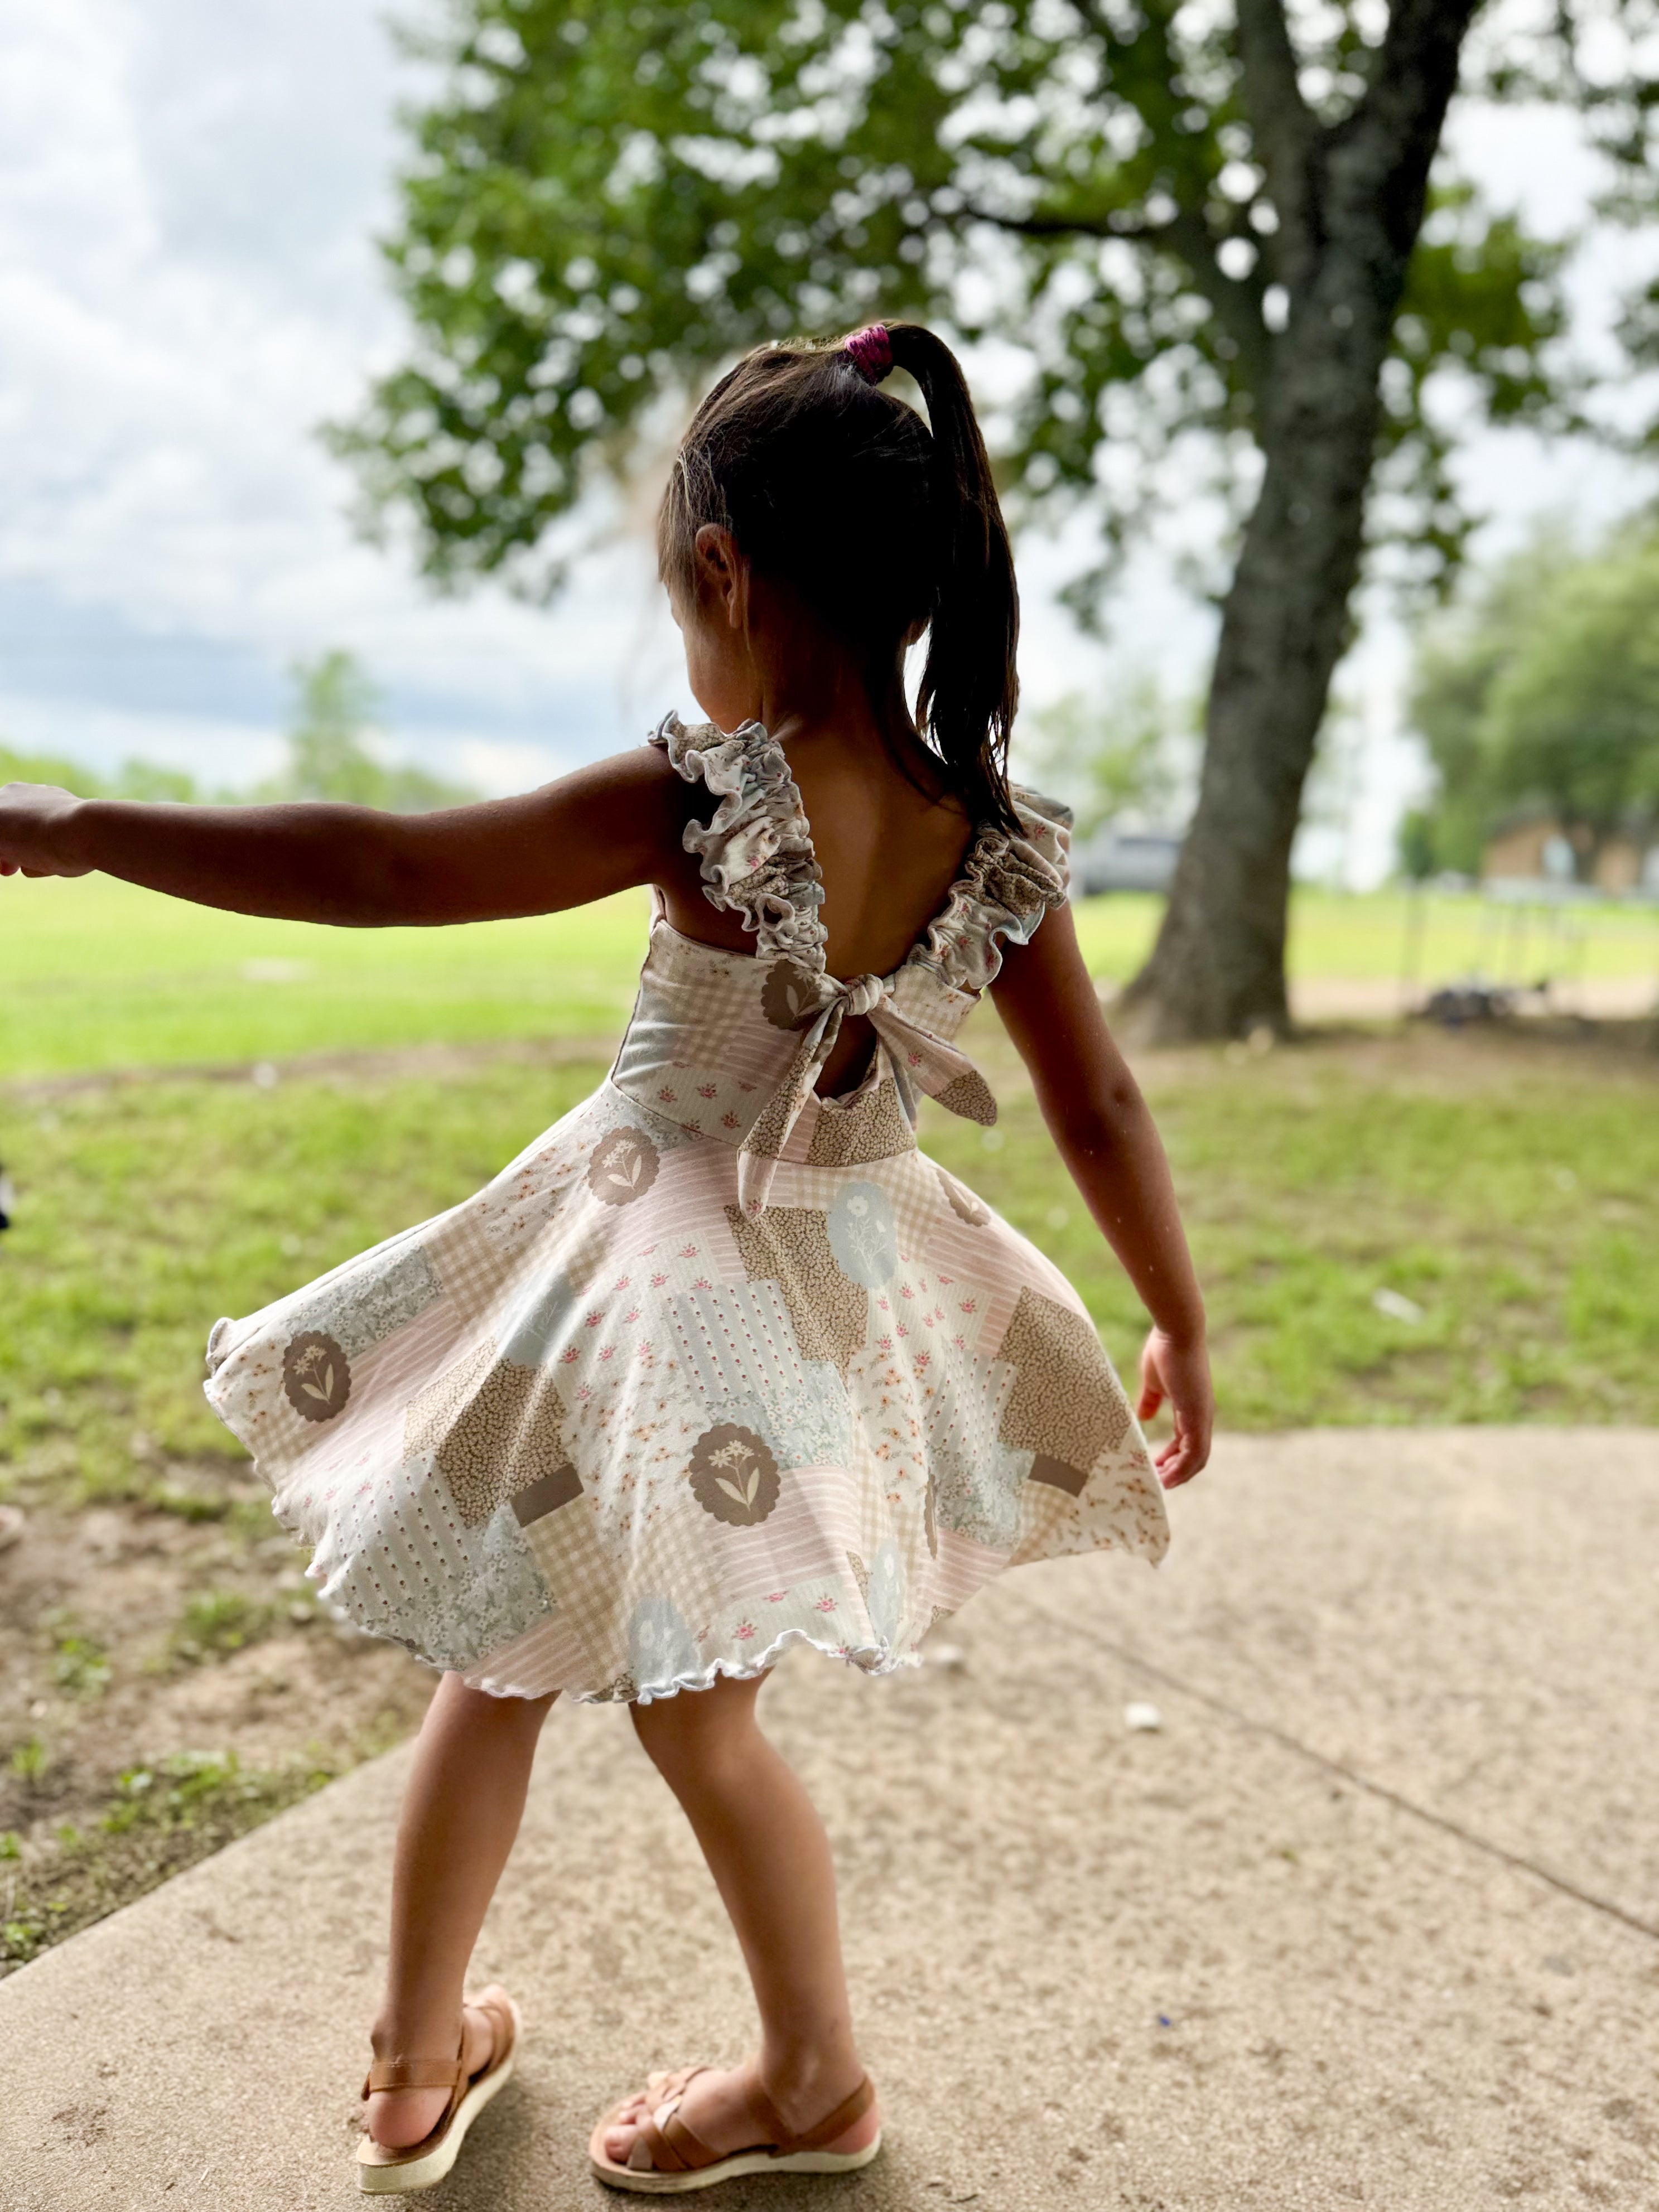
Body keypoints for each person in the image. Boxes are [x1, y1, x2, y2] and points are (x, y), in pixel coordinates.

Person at [0, 320, 1212, 2195]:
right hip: (834, 1284)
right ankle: (441, 2050)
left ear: (721, 572)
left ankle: (769, 2076)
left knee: (612, 1692)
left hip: (653, 1278)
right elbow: (1104, 1106)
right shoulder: (994, 844)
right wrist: (1179, 1326)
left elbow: (391, 868)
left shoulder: (710, 802)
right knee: (574, 1669)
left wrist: (88, 829)